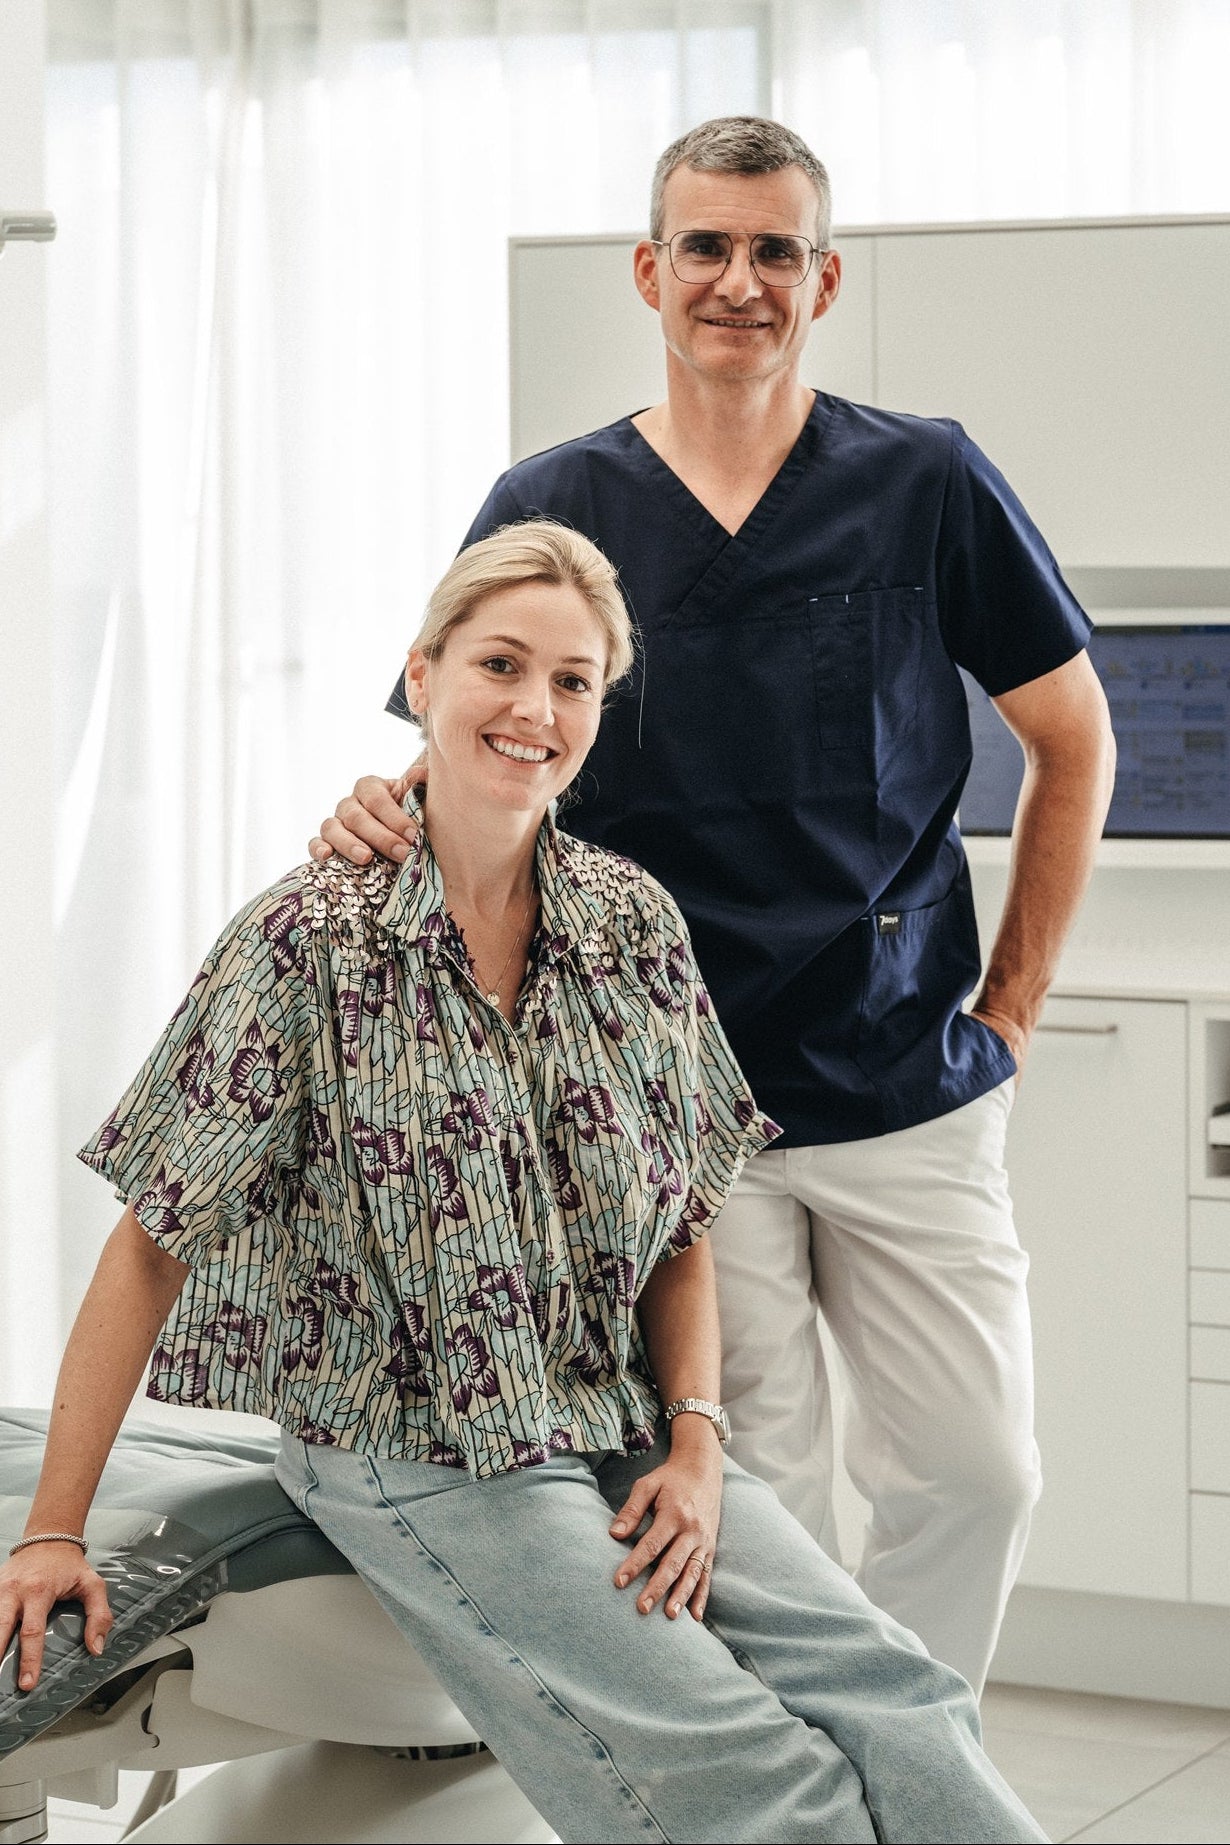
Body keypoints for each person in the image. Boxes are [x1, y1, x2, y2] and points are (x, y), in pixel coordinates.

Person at [2, 522, 1045, 1845]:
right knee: (756, 1774)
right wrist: (51, 1529)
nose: (533, 707)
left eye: (570, 681)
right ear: (422, 675)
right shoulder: (307, 938)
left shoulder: (628, 923)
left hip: (610, 1421)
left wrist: (698, 1441)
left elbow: (681, 1222)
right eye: (500, 662)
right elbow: (152, 1239)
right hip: (410, 1446)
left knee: (901, 1697)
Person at [313, 116, 1117, 1696]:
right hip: (670, 1101)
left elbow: (1071, 739)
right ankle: (804, 1795)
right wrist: (377, 806)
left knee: (980, 1470)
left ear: (823, 280)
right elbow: (487, 743)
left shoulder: (923, 475)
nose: (737, 281)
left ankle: (911, 1757)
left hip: (902, 1076)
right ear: (649, 270)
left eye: (773, 251)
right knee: (767, 1493)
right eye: (705, 246)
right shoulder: (554, 493)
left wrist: (1009, 1008)